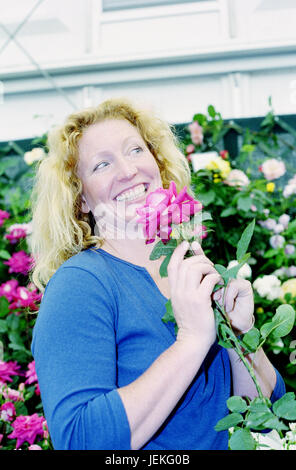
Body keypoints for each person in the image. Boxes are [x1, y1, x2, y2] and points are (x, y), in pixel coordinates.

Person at [30, 97, 285, 451]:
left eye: (135, 150)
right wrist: (191, 340)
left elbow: (264, 410)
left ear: (157, 160)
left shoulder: (187, 262)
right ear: (81, 198)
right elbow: (80, 439)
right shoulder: (81, 285)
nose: (128, 171)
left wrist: (240, 334)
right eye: (102, 164)